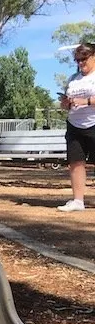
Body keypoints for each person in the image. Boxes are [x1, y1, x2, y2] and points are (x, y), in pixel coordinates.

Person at [57, 42, 95, 211]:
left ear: (93, 56)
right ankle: (78, 201)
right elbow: (65, 105)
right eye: (77, 60)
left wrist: (85, 101)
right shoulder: (73, 79)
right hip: (74, 125)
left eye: (83, 59)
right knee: (76, 162)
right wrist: (66, 103)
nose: (80, 63)